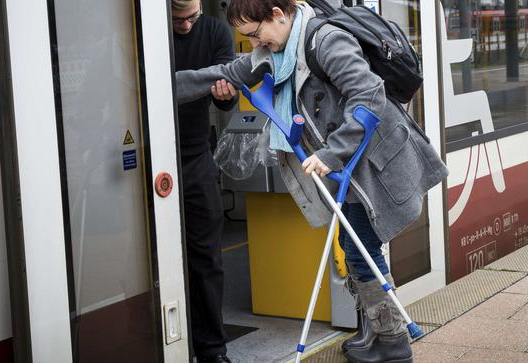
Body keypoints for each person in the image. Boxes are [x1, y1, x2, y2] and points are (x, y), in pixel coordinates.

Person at [175, 1, 448, 362]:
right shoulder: (275, 51)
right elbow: (225, 72)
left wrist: (332, 153)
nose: (256, 45)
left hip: (373, 163)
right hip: (351, 167)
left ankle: (393, 342)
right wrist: (158, 92)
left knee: (360, 250)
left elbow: (369, 96)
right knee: (357, 248)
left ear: (277, 14)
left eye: (257, 35)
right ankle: (382, 336)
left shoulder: (325, 41)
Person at [170, 1, 238, 362]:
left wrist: (224, 94)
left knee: (206, 258)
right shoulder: (146, 34)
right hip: (147, 159)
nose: (185, 26)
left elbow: (228, 98)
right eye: (177, 19)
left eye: (191, 18)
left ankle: (212, 350)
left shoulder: (214, 31)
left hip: (196, 155)